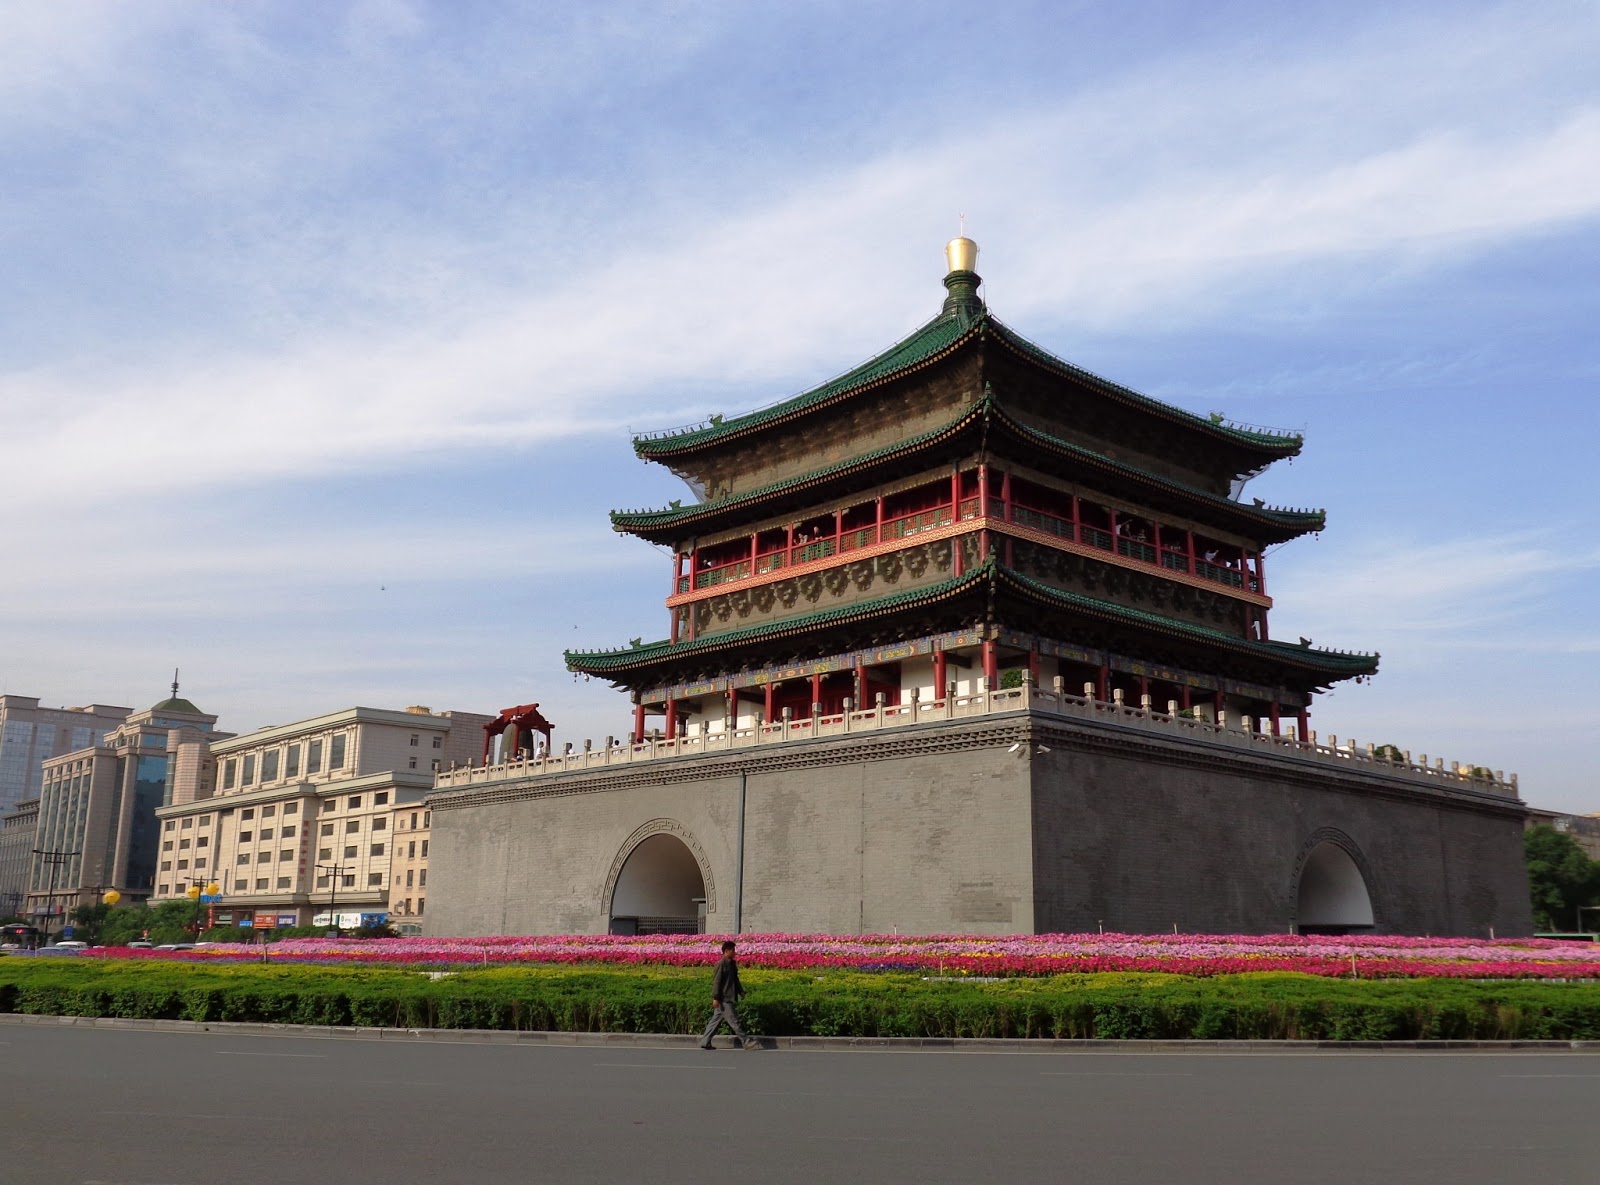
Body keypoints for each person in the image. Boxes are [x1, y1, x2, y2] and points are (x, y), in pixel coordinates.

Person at [700, 940, 755, 1050]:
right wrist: (716, 998)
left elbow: (735, 980)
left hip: (728, 997)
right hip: (724, 999)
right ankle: (746, 1042)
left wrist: (741, 991)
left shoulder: (732, 964)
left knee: (714, 1022)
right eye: (733, 950)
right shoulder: (721, 964)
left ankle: (705, 1042)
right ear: (726, 951)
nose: (734, 952)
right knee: (734, 1021)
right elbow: (717, 982)